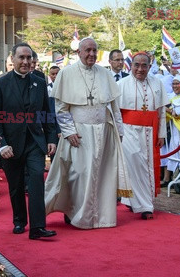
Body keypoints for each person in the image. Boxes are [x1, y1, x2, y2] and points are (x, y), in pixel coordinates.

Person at [44, 37, 131, 229]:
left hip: (104, 132)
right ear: (79, 52)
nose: (91, 54)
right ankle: (75, 213)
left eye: (94, 50)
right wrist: (68, 131)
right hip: (79, 132)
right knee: (79, 174)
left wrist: (119, 131)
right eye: (88, 50)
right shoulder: (66, 73)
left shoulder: (105, 73)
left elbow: (115, 107)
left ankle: (102, 217)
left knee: (103, 175)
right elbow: (61, 107)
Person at [0, 43, 58, 240]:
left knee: (37, 179)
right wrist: (1, 144)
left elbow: (47, 113)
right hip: (11, 144)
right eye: (22, 58)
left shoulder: (39, 81)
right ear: (13, 59)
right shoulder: (0, 84)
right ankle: (20, 220)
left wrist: (51, 137)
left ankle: (38, 227)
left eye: (29, 58)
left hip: (35, 142)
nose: (26, 62)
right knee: (16, 186)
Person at [118, 52, 169, 220]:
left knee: (146, 167)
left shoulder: (157, 83)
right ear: (130, 66)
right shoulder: (121, 84)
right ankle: (145, 206)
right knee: (134, 163)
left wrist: (161, 134)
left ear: (149, 66)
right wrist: (118, 133)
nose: (140, 69)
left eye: (144, 65)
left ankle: (133, 200)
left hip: (150, 131)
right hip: (128, 131)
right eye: (136, 65)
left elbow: (161, 112)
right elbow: (116, 113)